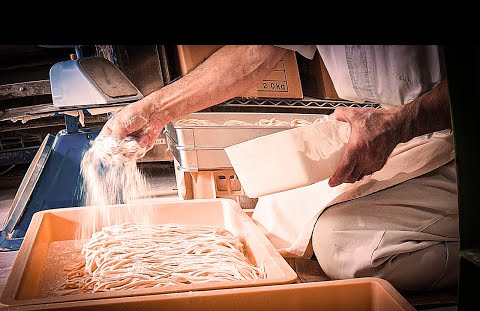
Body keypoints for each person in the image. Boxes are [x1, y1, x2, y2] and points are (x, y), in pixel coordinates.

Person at [98, 45, 458, 292]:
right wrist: (156, 109)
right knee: (272, 212)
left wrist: (400, 126)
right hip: (393, 121)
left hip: (457, 129)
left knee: (342, 246)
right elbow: (255, 53)